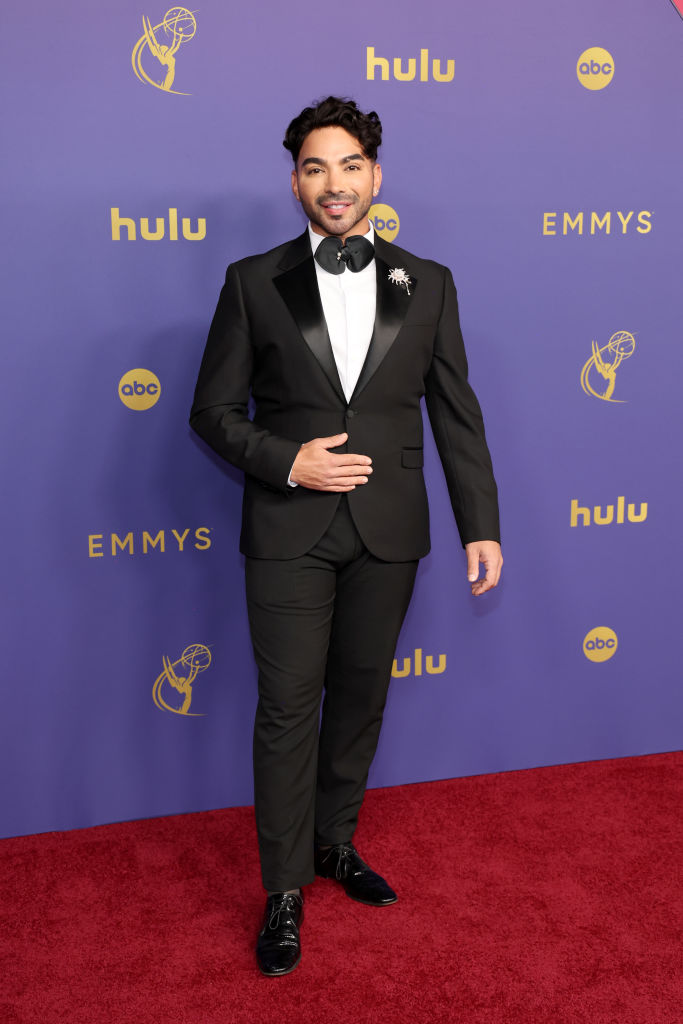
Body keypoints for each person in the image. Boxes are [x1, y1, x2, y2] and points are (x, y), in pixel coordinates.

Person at [190, 96, 502, 976]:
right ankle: (283, 888)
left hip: (391, 530)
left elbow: (457, 415)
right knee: (289, 711)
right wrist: (291, 461)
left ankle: (334, 843)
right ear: (294, 181)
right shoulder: (253, 282)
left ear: (375, 174)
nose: (335, 184)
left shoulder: (428, 281)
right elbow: (210, 413)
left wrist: (481, 524)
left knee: (359, 701)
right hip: (290, 529)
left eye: (351, 165)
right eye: (316, 167)